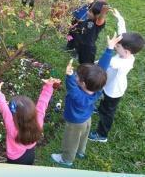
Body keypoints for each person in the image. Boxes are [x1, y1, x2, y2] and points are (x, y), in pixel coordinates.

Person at [51, 33, 122, 167]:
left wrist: (69, 76)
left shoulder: (79, 96)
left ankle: (66, 159)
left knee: (70, 140)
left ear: (83, 83)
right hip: (86, 119)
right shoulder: (98, 87)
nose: (76, 75)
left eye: (78, 76)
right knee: (83, 136)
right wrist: (109, 49)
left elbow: (72, 88)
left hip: (75, 122)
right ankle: (81, 151)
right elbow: (102, 68)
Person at [89, 9, 145, 142]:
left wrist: (108, 49)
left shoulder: (122, 62)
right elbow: (122, 30)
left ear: (126, 51)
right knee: (104, 101)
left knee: (108, 112)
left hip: (114, 90)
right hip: (108, 83)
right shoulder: (124, 53)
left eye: (117, 46)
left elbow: (106, 64)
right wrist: (119, 17)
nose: (115, 47)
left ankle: (101, 135)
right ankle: (100, 109)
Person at [0, 77, 60, 165]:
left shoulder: (12, 127)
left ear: (15, 116)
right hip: (30, 154)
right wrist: (49, 86)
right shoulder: (38, 120)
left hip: (15, 158)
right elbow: (43, 103)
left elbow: (4, 109)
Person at [73, 0, 109, 64]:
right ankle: (81, 67)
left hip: (88, 48)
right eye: (88, 10)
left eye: (90, 12)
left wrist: (103, 12)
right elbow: (85, 24)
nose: (87, 12)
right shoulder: (89, 19)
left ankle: (86, 72)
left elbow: (101, 17)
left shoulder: (98, 23)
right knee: (81, 60)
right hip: (81, 43)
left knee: (87, 64)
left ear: (97, 15)